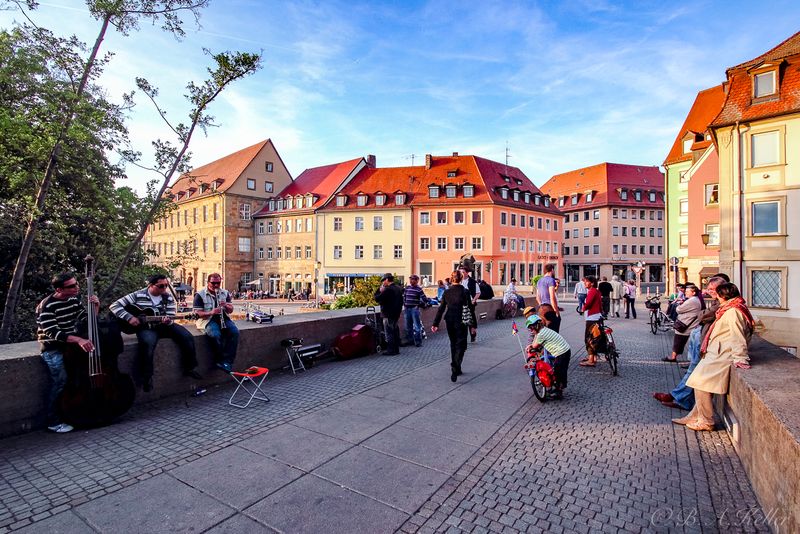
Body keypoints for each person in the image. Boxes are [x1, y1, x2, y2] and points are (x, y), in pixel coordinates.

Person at [673, 283, 754, 431]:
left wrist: (740, 358)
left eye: (717, 293)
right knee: (699, 383)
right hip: (716, 352)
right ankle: (695, 415)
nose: (715, 296)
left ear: (723, 295)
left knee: (699, 382)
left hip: (722, 354)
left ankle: (706, 420)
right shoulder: (731, 308)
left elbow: (738, 336)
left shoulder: (733, 311)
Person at [110, 274, 201, 392]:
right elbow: (114, 306)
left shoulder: (167, 297)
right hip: (145, 327)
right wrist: (129, 317)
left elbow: (170, 315)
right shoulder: (138, 295)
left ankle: (190, 367)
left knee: (187, 336)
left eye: (166, 286)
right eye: (161, 286)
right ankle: (147, 377)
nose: (164, 289)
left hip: (163, 325)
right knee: (148, 344)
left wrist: (167, 321)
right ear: (151, 285)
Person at [35, 273, 99, 433]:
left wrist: (96, 307)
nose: (76, 287)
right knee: (60, 381)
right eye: (71, 286)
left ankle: (79, 410)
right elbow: (52, 332)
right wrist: (78, 340)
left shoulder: (73, 299)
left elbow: (86, 320)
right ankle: (53, 421)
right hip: (52, 348)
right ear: (59, 289)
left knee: (79, 377)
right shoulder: (47, 305)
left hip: (71, 346)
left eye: (76, 284)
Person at [653, 276, 727, 410]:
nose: (709, 291)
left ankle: (679, 398)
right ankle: (680, 398)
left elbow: (702, 315)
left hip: (710, 344)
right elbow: (703, 314)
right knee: (694, 373)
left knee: (694, 372)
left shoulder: (721, 304)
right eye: (708, 288)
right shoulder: (718, 302)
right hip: (706, 340)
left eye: (712, 288)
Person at [193, 273, 238, 373]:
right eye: (213, 283)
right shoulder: (200, 295)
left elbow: (230, 310)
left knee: (234, 332)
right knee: (214, 334)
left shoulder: (225, 293)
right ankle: (220, 359)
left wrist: (226, 305)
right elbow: (197, 313)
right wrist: (211, 312)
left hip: (223, 318)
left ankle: (228, 361)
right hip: (207, 319)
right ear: (208, 282)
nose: (216, 285)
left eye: (218, 283)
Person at [431, 270, 471, 382]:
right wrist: (473, 325)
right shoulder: (465, 292)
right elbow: (470, 309)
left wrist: (435, 323)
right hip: (461, 321)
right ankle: (456, 366)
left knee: (453, 344)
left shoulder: (446, 292)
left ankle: (456, 367)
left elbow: (441, 309)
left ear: (451, 279)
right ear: (461, 279)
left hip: (449, 320)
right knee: (461, 345)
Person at [525, 314, 571, 399]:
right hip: (564, 350)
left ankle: (559, 391)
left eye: (531, 328)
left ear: (537, 325)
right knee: (559, 369)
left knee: (558, 371)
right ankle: (559, 386)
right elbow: (535, 338)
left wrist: (530, 347)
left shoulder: (541, 334)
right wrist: (531, 344)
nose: (530, 330)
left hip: (562, 352)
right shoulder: (543, 330)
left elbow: (535, 345)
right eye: (529, 328)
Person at [662, 283, 704, 363]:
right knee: (681, 342)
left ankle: (675, 357)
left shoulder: (692, 301)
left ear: (693, 293)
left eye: (688, 292)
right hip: (688, 323)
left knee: (679, 341)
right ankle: (677, 357)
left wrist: (679, 306)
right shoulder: (694, 300)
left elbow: (679, 309)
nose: (686, 293)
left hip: (685, 325)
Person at [374, 273, 403, 355]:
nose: (383, 282)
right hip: (396, 314)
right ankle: (396, 349)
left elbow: (377, 298)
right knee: (395, 331)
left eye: (383, 280)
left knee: (389, 332)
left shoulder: (388, 290)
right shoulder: (398, 288)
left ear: (387, 280)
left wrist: (379, 291)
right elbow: (401, 302)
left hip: (388, 314)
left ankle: (391, 350)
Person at [579, 276, 603, 367]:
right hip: (597, 316)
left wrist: (583, 308)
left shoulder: (592, 291)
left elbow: (588, 303)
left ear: (592, 283)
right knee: (595, 337)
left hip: (592, 317)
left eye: (586, 281)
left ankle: (591, 360)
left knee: (589, 338)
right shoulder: (596, 291)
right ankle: (594, 357)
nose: (585, 283)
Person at [402, 274, 426, 347]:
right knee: (408, 326)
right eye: (410, 279)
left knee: (417, 326)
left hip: (414, 309)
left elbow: (424, 299)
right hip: (407, 308)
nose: (411, 281)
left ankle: (418, 342)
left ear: (416, 281)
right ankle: (410, 340)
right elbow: (404, 297)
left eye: (413, 279)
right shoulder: (407, 288)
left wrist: (418, 304)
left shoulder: (419, 289)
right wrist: (404, 304)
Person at [458, 266, 480, 342]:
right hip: (460, 304)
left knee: (471, 319)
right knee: (462, 320)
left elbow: (478, 293)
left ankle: (473, 334)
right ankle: (463, 337)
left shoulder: (473, 282)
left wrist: (474, 300)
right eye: (460, 272)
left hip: (470, 303)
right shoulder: (458, 281)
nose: (462, 274)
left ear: (467, 273)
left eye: (463, 272)